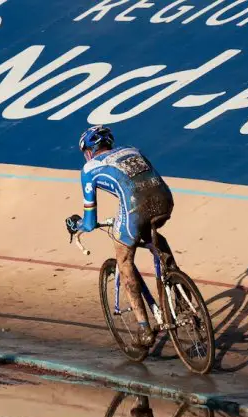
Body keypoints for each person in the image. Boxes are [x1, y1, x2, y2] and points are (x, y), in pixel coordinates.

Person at [66, 125, 177, 348]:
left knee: (124, 259)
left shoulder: (90, 168)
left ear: (88, 150)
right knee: (155, 238)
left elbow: (89, 222)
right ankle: (179, 291)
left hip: (135, 206)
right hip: (165, 199)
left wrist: (77, 225)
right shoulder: (132, 150)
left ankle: (144, 328)